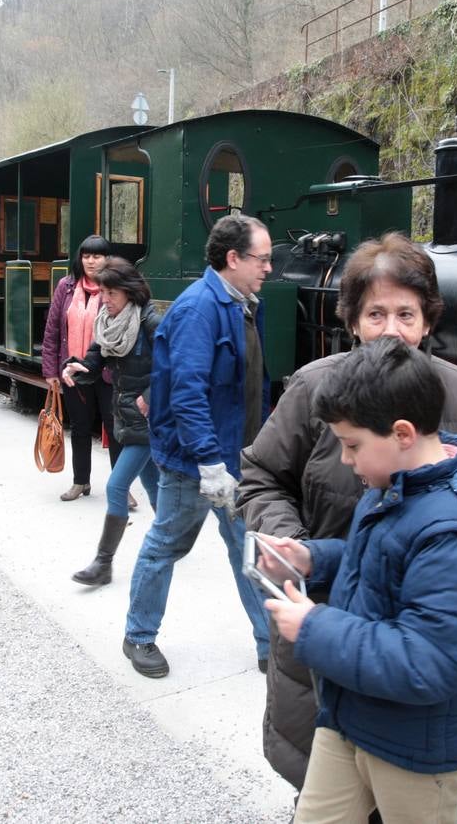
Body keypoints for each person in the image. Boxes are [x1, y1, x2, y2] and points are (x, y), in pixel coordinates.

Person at [238, 231, 457, 793]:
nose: (391, 329)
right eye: (376, 314)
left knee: (398, 784)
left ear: (427, 322)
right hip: (320, 612)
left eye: (406, 313)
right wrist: (294, 547)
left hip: (418, 622)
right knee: (320, 777)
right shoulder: (315, 388)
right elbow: (262, 475)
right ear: (352, 320)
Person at [255, 338, 457, 824]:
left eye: (352, 445)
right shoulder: (397, 480)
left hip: (415, 746)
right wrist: (312, 557)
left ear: (403, 432)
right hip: (350, 713)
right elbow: (382, 560)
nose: (346, 460)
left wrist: (311, 628)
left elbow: (428, 660)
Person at [121, 214, 274, 678]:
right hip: (196, 464)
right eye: (262, 259)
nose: (269, 268)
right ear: (233, 258)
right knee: (167, 543)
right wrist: (209, 463)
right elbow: (188, 394)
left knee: (248, 548)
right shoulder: (198, 310)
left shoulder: (239, 302)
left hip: (236, 455)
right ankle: (138, 636)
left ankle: (271, 646)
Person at [62, 257, 163, 586]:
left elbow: (175, 362)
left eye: (110, 293)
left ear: (129, 291)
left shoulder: (149, 320)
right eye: (102, 292)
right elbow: (97, 355)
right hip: (126, 413)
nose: (104, 299)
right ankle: (170, 536)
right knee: (151, 482)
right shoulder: (109, 319)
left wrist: (150, 393)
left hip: (149, 415)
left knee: (117, 486)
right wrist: (80, 366)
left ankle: (103, 564)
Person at [41, 234, 129, 504]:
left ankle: (121, 489)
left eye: (97, 255)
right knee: (79, 428)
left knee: (115, 429)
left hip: (107, 371)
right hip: (73, 369)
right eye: (86, 255)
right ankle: (81, 482)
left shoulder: (115, 286)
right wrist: (51, 370)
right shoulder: (66, 287)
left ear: (107, 259)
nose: (91, 261)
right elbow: (53, 329)